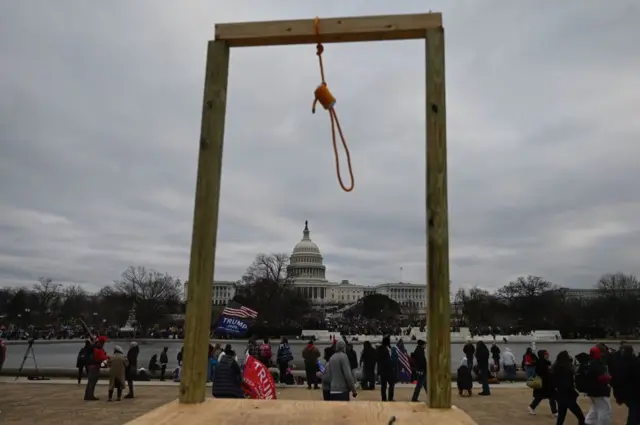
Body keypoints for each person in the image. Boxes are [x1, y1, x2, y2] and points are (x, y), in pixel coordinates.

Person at [552, 350, 585, 425]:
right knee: (580, 417)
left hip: (560, 395)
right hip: (568, 395)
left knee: (561, 417)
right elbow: (568, 384)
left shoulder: (555, 368)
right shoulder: (567, 369)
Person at [610, 345, 640, 425]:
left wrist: (617, 395)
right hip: (634, 393)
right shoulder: (634, 363)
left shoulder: (618, 363)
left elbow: (616, 380)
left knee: (634, 412)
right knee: (635, 412)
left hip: (625, 393)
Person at [584, 346, 612, 425]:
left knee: (596, 408)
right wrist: (609, 378)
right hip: (600, 391)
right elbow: (600, 378)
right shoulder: (597, 364)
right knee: (605, 410)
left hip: (592, 391)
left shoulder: (590, 363)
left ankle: (589, 422)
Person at [528, 350, 558, 416]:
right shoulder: (540, 363)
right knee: (540, 397)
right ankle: (531, 407)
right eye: (546, 354)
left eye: (547, 354)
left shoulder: (547, 362)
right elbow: (541, 372)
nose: (547, 355)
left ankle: (554, 411)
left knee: (552, 397)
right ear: (542, 355)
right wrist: (549, 370)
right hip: (543, 383)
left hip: (548, 384)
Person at [84, 335, 109, 401]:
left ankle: (87, 395)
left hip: (91, 365)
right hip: (94, 366)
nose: (104, 344)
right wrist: (107, 357)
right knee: (92, 381)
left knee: (90, 381)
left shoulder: (94, 347)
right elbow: (100, 357)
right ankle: (90, 396)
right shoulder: (97, 348)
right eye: (103, 342)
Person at [377, 336, 397, 402]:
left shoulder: (380, 349)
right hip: (388, 370)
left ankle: (384, 398)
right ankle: (390, 398)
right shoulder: (387, 349)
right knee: (391, 384)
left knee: (383, 386)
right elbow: (389, 360)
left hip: (382, 370)